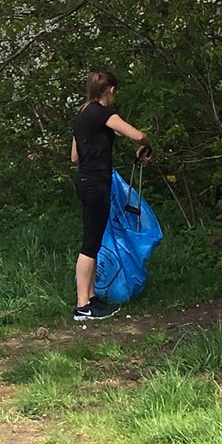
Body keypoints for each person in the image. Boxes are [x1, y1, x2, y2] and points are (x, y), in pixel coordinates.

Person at [70, 70, 151, 321]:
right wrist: (146, 144)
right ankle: (82, 306)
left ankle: (92, 298)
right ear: (111, 90)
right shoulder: (104, 113)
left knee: (93, 240)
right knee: (90, 243)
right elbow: (137, 135)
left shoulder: (81, 115)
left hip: (84, 180)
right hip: (96, 182)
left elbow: (74, 157)